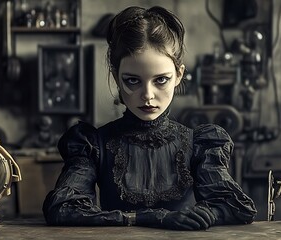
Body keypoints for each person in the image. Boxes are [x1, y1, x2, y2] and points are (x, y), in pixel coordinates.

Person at [42, 6, 256, 231]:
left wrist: (206, 214)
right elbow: (62, 208)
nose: (147, 95)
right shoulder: (93, 144)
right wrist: (150, 218)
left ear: (179, 75)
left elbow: (237, 207)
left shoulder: (199, 143)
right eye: (133, 81)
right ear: (116, 77)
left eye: (161, 80)